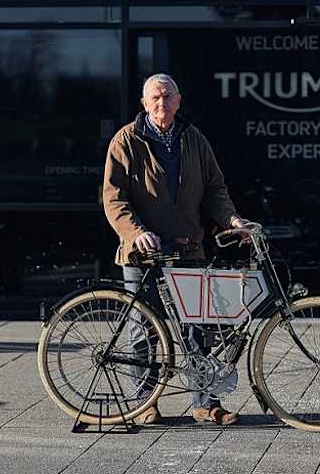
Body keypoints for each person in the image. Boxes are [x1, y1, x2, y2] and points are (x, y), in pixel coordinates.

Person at [102, 73, 249, 425]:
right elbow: (113, 198)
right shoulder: (126, 140)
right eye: (154, 97)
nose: (161, 103)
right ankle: (144, 402)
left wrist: (232, 221)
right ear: (143, 103)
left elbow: (215, 189)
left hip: (187, 249)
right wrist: (134, 232)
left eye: (168, 96)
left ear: (179, 101)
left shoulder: (193, 139)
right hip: (143, 253)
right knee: (143, 330)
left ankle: (205, 403)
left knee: (197, 327)